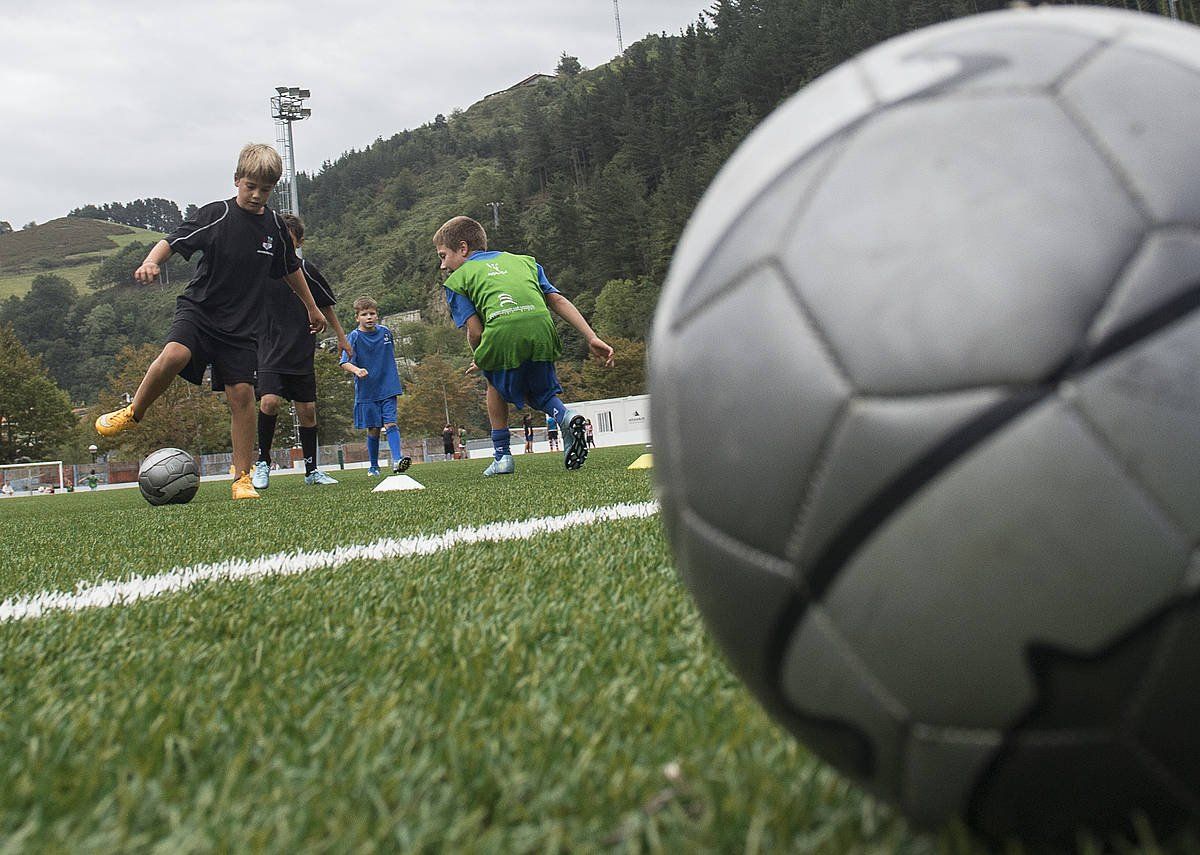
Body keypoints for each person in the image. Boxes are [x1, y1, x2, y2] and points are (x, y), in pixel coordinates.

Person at [94, 143, 326, 500]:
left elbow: (291, 269)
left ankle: (242, 478)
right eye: (250, 186)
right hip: (200, 310)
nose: (256, 195)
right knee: (174, 355)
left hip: (242, 328)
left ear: (273, 189)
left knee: (242, 395)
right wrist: (152, 261)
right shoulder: (217, 214)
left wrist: (312, 307)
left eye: (265, 189)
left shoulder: (275, 228)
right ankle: (133, 411)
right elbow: (171, 240)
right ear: (237, 180)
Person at [434, 215, 613, 476]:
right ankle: (565, 415)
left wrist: (482, 357)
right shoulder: (525, 261)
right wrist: (591, 336)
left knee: (494, 380)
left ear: (462, 248)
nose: (442, 266)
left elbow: (475, 331)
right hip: (542, 330)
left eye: (443, 256)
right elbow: (557, 300)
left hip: (503, 331)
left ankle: (502, 456)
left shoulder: (457, 281)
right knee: (537, 391)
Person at [252, 213, 352, 490]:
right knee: (269, 402)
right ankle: (262, 463)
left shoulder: (306, 270)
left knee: (307, 411)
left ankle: (312, 470)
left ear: (298, 242)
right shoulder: (259, 270)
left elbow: (326, 305)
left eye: (289, 238)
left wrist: (342, 338)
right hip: (268, 348)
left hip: (301, 348)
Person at [339, 297, 411, 476]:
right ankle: (373, 466)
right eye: (364, 314)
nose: (369, 317)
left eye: (372, 313)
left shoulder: (386, 333)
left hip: (388, 387)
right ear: (357, 318)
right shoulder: (354, 337)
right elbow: (344, 362)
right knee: (374, 428)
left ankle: (397, 460)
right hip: (367, 390)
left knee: (391, 422)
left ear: (377, 315)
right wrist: (357, 370)